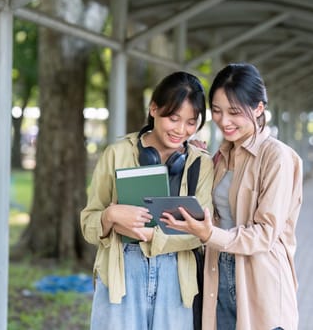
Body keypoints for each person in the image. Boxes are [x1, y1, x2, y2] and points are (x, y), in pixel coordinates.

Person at [161, 63, 303, 330]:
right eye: (216, 111)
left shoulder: (277, 157)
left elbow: (265, 233)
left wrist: (209, 235)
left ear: (259, 108)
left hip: (261, 279)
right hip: (218, 270)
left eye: (234, 112)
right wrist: (198, 162)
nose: (224, 121)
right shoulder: (219, 157)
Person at [80, 71, 214, 330]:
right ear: (154, 108)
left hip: (176, 276)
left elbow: (202, 233)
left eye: (190, 122)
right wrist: (109, 215)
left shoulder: (201, 163)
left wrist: (154, 236)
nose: (181, 130)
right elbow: (88, 224)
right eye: (173, 119)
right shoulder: (116, 154)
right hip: (122, 272)